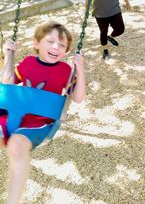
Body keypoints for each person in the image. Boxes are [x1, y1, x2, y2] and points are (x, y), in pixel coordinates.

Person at [0, 20, 86, 204]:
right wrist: (8, 55)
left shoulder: (65, 71)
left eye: (62, 45)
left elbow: (78, 98)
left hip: (39, 123)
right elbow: (6, 82)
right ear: (36, 43)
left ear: (66, 51)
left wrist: (80, 70)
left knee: (16, 145)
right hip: (12, 114)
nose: (56, 47)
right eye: (50, 41)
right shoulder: (28, 63)